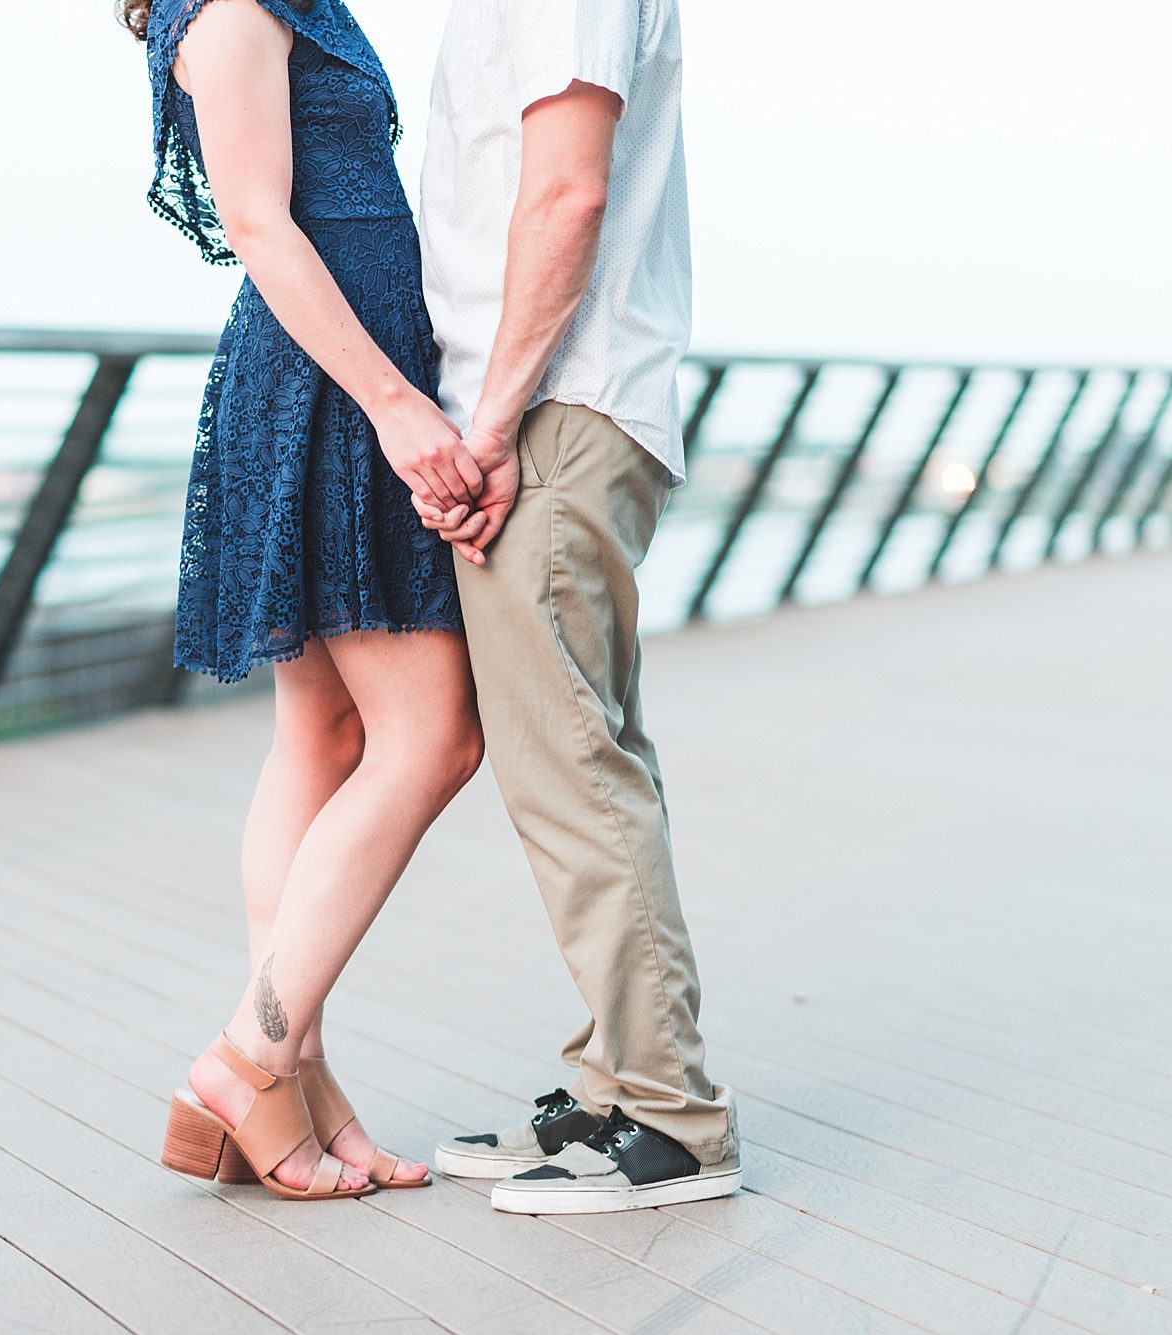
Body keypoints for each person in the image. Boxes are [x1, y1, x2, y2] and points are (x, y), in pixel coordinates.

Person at [123, 0, 486, 1200]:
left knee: (324, 735)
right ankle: (249, 1055)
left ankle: (298, 1082)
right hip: (331, 388)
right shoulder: (228, 11)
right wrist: (393, 406)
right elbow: (255, 224)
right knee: (432, 736)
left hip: (353, 372)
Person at [416, 0, 743, 1214]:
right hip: (557, 404)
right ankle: (616, 1090)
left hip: (552, 410)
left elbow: (567, 194)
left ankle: (670, 1121)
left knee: (570, 771)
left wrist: (489, 425)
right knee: (587, 758)